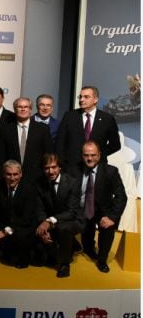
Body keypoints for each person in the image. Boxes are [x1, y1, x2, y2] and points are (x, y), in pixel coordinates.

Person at [78, 140, 127, 273]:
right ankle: (86, 248)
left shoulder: (110, 171)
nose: (89, 158)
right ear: (82, 155)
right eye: (86, 155)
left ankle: (102, 260)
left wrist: (112, 217)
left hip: (104, 211)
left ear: (99, 155)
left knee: (108, 227)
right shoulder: (75, 170)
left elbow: (121, 197)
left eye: (93, 155)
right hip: (81, 210)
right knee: (71, 226)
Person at [34, 153, 83, 277]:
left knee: (63, 228)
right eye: (47, 168)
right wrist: (44, 228)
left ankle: (64, 265)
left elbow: (71, 211)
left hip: (72, 219)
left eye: (54, 167)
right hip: (52, 221)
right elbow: (40, 210)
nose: (51, 171)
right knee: (39, 254)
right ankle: (70, 244)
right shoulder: (39, 184)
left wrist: (49, 222)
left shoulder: (72, 182)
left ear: (60, 167)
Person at [0, 160, 38, 269]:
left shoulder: (29, 189)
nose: (12, 178)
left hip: (21, 226)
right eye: (8, 174)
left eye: (15, 174)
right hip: (4, 222)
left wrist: (4, 232)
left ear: (21, 174)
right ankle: (1, 248)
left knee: (21, 238)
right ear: (4, 174)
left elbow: (25, 219)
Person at [57, 85, 121, 173]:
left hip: (97, 168)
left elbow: (115, 144)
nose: (81, 100)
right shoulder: (69, 116)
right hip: (72, 169)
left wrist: (98, 154)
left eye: (86, 97)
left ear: (95, 100)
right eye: (80, 97)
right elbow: (60, 142)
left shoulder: (107, 119)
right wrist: (62, 164)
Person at [0, 97, 53, 182]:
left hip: (37, 178)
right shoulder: (5, 130)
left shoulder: (42, 129)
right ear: (14, 110)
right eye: (20, 107)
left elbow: (48, 154)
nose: (23, 109)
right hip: (11, 177)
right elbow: (0, 156)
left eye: (26, 107)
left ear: (30, 110)